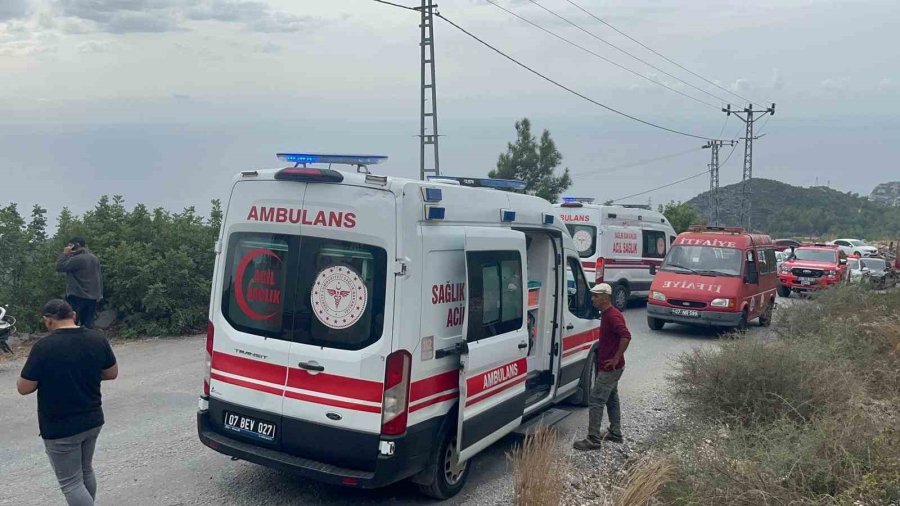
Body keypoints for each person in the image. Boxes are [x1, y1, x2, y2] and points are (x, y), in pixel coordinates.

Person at [16, 299, 118, 506]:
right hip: (92, 419)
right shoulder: (97, 338)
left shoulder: (44, 347)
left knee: (71, 483)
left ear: (48, 320)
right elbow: (111, 373)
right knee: (85, 471)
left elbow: (24, 388)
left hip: (61, 426)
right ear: (73, 316)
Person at [573, 283, 631, 451]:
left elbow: (626, 336)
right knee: (612, 398)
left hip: (610, 368)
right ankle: (615, 432)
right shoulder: (608, 314)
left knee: (596, 400)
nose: (593, 299)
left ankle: (593, 439)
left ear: (606, 298)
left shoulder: (612, 316)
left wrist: (616, 358)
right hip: (612, 367)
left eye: (596, 296)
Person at [56, 237, 103, 328]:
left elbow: (59, 266)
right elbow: (99, 277)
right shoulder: (94, 258)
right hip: (93, 296)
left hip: (77, 295)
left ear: (76, 244)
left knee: (72, 323)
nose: (68, 247)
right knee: (89, 324)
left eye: (70, 245)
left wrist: (64, 254)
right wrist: (99, 294)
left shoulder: (77, 259)